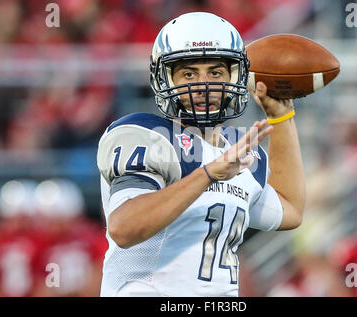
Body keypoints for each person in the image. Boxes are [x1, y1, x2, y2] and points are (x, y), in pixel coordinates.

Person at [97, 12, 306, 297]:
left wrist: (281, 118)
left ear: (236, 76)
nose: (202, 85)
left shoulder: (238, 149)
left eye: (216, 72)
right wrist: (207, 174)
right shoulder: (149, 135)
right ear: (164, 79)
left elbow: (290, 210)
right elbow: (125, 228)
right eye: (188, 73)